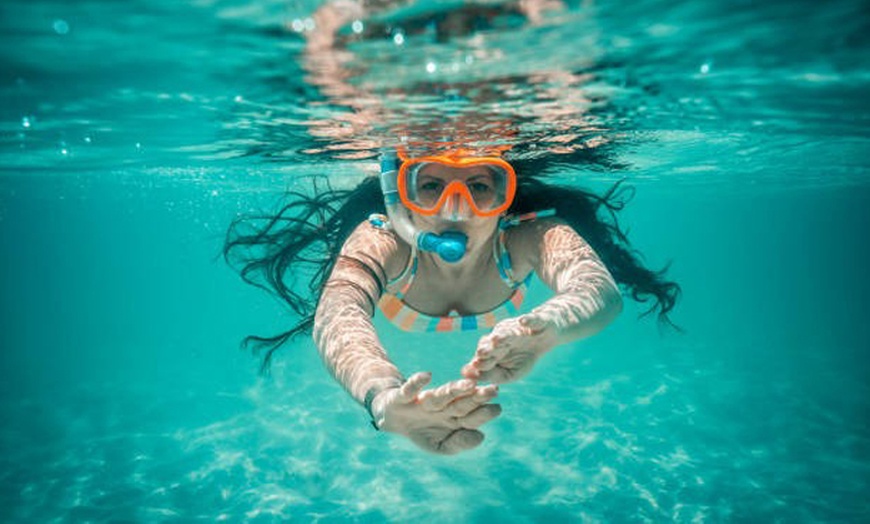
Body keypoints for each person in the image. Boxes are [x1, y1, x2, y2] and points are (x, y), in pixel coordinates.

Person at [224, 144, 681, 455]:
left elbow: (595, 288)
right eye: (430, 185)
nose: (455, 206)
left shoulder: (526, 236)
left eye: (480, 187)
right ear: (401, 198)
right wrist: (382, 399)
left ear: (505, 198)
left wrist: (547, 331)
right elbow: (337, 316)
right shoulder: (385, 242)